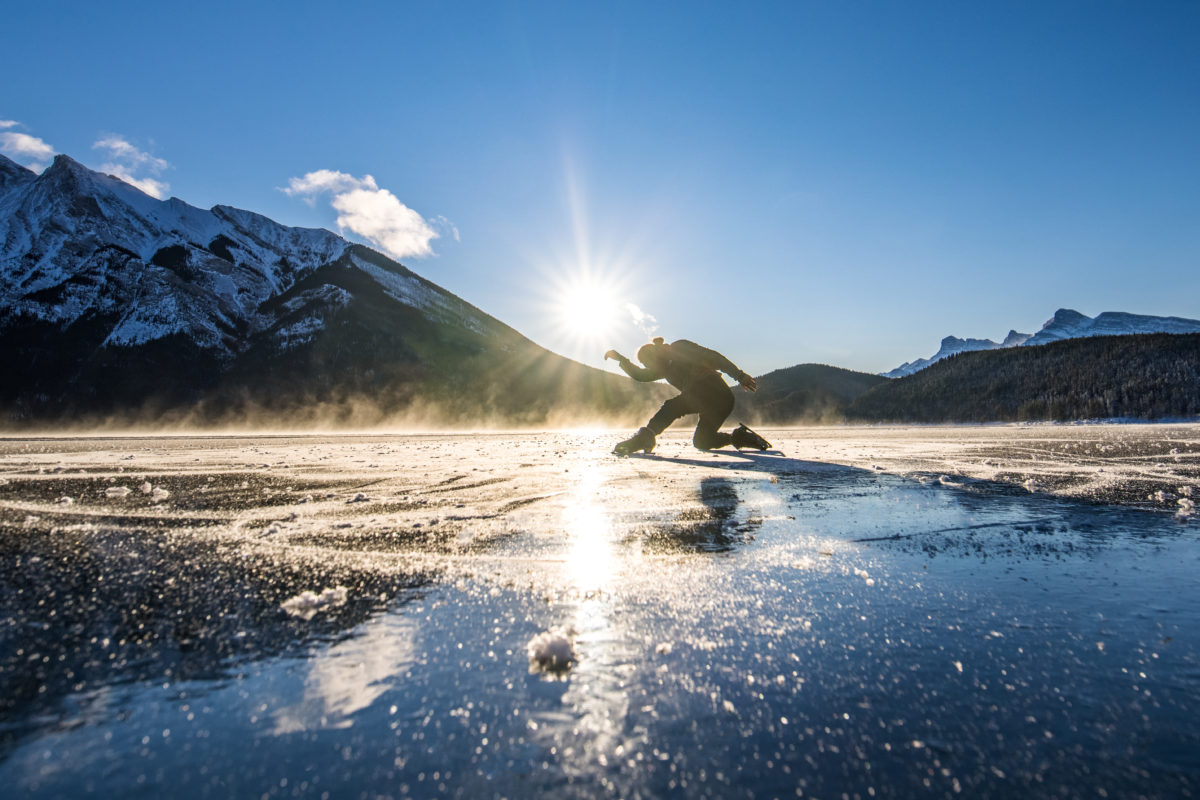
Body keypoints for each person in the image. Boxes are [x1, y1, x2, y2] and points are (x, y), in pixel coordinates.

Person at [605, 337, 771, 455]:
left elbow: (714, 357)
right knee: (702, 441)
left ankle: (646, 437)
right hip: (710, 403)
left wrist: (739, 375)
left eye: (648, 362)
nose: (649, 367)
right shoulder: (662, 368)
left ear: (654, 353)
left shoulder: (679, 348)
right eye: (646, 365)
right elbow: (641, 375)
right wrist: (621, 359)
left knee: (673, 406)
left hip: (716, 392)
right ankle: (738, 438)